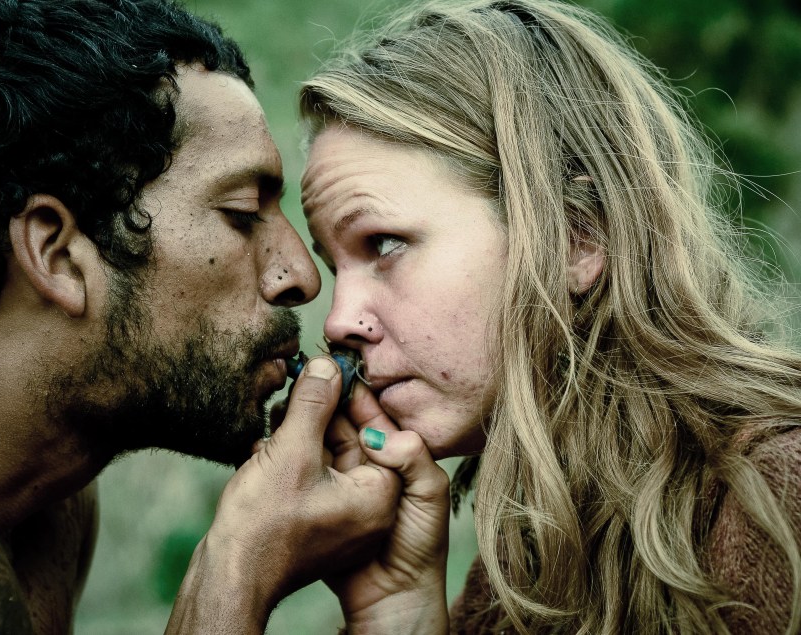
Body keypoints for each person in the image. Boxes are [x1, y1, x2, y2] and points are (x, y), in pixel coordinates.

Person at [0, 0, 405, 632]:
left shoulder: (50, 505)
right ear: (56, 252)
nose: (300, 277)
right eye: (243, 213)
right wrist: (234, 571)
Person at [298, 0, 801, 632]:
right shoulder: (523, 566)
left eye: (385, 244)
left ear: (576, 234)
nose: (339, 320)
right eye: (334, 264)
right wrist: (398, 616)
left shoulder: (779, 501)